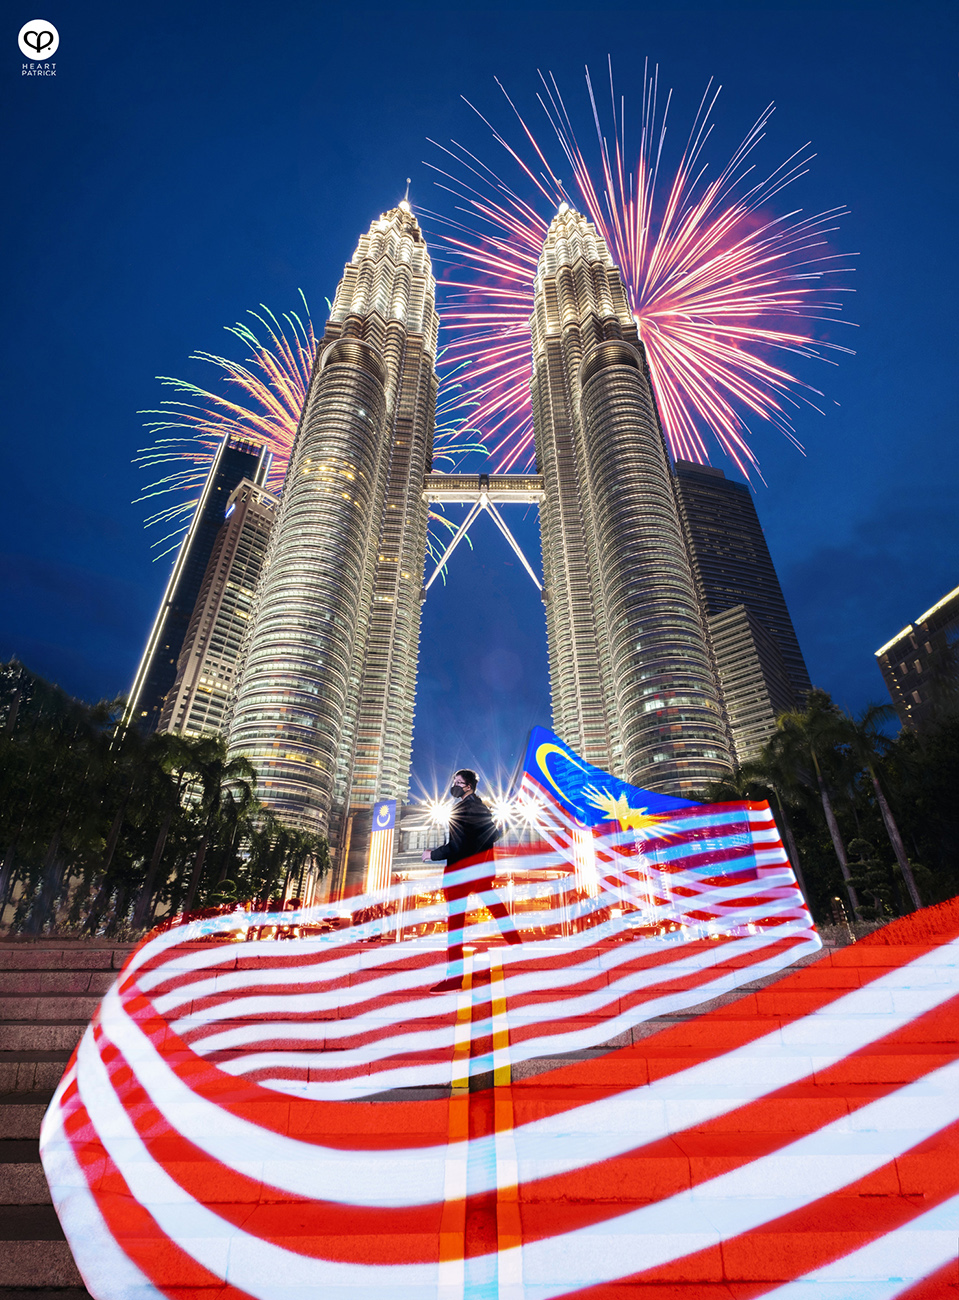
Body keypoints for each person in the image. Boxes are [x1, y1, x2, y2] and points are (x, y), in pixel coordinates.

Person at [423, 768, 522, 993]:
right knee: (496, 908)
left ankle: (455, 979)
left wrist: (432, 854)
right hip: (479, 871)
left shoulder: (464, 808)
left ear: (468, 786)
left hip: (461, 873)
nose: (454, 785)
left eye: (458, 782)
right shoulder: (481, 807)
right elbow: (494, 835)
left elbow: (457, 846)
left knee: (455, 926)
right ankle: (517, 945)